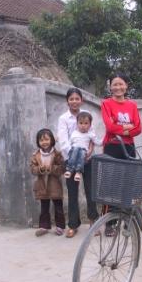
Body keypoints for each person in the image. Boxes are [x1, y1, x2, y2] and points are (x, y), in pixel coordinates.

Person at [101, 72, 142, 236]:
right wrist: (128, 128)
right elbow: (109, 128)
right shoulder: (106, 103)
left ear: (126, 86)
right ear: (110, 87)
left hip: (129, 147)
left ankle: (127, 220)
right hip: (112, 146)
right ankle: (109, 223)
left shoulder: (132, 105)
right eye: (115, 84)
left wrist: (120, 128)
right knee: (111, 184)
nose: (118, 87)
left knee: (128, 184)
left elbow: (139, 128)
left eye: (121, 84)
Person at [57, 88, 99, 238]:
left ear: (82, 100)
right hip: (71, 160)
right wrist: (76, 155)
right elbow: (63, 141)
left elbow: (92, 136)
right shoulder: (63, 119)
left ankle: (94, 221)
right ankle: (73, 225)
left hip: (88, 159)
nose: (74, 101)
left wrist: (89, 151)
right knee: (73, 192)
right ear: (67, 101)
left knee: (91, 190)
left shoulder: (87, 115)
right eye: (71, 99)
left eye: (77, 98)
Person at [30, 128, 66, 237]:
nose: (44, 142)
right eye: (41, 140)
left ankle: (60, 226)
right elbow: (32, 169)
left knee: (58, 207)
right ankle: (44, 226)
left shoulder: (57, 154)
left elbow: (62, 168)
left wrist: (51, 168)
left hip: (54, 184)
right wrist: (40, 169)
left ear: (51, 140)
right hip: (42, 185)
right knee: (44, 207)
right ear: (38, 142)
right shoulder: (36, 155)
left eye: (46, 139)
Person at [64, 111, 102, 182]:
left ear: (90, 125)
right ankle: (69, 170)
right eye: (81, 123)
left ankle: (78, 172)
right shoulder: (74, 133)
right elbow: (69, 142)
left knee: (82, 152)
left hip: (83, 151)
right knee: (75, 149)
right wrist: (69, 150)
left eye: (86, 123)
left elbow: (98, 142)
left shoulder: (90, 134)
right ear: (77, 124)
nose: (83, 125)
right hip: (74, 150)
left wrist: (105, 140)